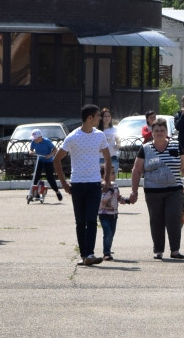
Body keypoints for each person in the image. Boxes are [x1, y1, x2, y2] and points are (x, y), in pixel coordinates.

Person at [53, 104, 112, 266]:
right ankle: (84, 254)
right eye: (98, 116)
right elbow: (57, 160)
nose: (100, 119)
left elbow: (107, 158)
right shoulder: (72, 137)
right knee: (80, 221)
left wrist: (106, 179)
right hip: (77, 184)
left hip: (94, 184)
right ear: (90, 118)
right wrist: (64, 182)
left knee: (92, 220)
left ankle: (90, 254)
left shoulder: (100, 135)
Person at [130, 118, 184, 260]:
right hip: (153, 192)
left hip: (174, 190)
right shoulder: (145, 148)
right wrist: (134, 190)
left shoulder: (176, 146)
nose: (159, 133)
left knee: (173, 218)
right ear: (152, 132)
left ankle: (175, 250)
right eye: (156, 130)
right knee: (156, 220)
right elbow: (137, 170)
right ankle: (158, 250)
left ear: (167, 132)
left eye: (162, 130)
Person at [98, 164, 130, 261]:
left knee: (111, 234)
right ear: (103, 175)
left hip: (114, 215)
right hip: (104, 214)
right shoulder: (101, 186)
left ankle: (108, 249)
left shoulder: (115, 186)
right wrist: (110, 192)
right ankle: (106, 253)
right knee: (107, 233)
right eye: (111, 173)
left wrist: (126, 200)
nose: (114, 175)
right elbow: (102, 200)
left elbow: (118, 198)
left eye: (114, 173)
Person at [29, 129, 63, 201]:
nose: (34, 140)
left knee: (50, 178)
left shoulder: (47, 141)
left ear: (40, 137)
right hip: (40, 160)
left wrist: (50, 155)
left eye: (36, 139)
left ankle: (57, 192)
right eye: (34, 139)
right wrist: (31, 152)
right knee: (36, 176)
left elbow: (55, 149)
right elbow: (31, 149)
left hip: (48, 161)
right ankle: (35, 194)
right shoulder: (33, 142)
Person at [98, 107, 120, 176]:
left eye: (109, 116)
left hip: (112, 157)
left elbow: (118, 139)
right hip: (100, 157)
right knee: (101, 177)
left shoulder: (114, 129)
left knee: (112, 177)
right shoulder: (97, 130)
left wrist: (118, 144)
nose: (107, 118)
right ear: (101, 117)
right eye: (105, 116)